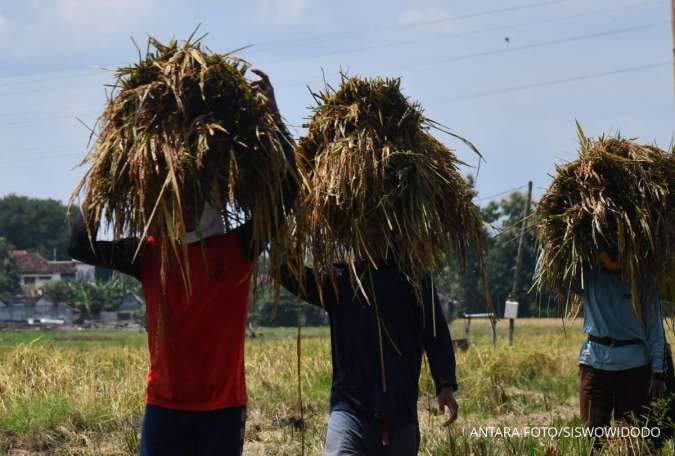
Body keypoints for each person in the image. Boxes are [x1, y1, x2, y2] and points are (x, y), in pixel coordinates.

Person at [69, 70, 294, 456]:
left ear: (211, 195)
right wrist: (106, 170)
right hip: (164, 407)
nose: (187, 203)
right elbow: (79, 244)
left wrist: (275, 121)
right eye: (177, 194)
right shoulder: (150, 252)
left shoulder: (238, 246)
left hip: (223, 408)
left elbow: (288, 190)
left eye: (195, 193)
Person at [280, 238, 459, 455]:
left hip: (400, 412)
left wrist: (445, 384)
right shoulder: (341, 280)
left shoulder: (414, 280)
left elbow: (436, 333)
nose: (370, 236)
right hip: (349, 410)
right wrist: (281, 240)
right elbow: (292, 275)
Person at [574, 250, 667, 437]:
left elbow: (655, 330)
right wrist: (547, 245)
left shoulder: (643, 281)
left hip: (634, 369)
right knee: (593, 437)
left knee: (632, 439)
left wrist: (658, 373)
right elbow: (548, 277)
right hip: (595, 364)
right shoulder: (589, 275)